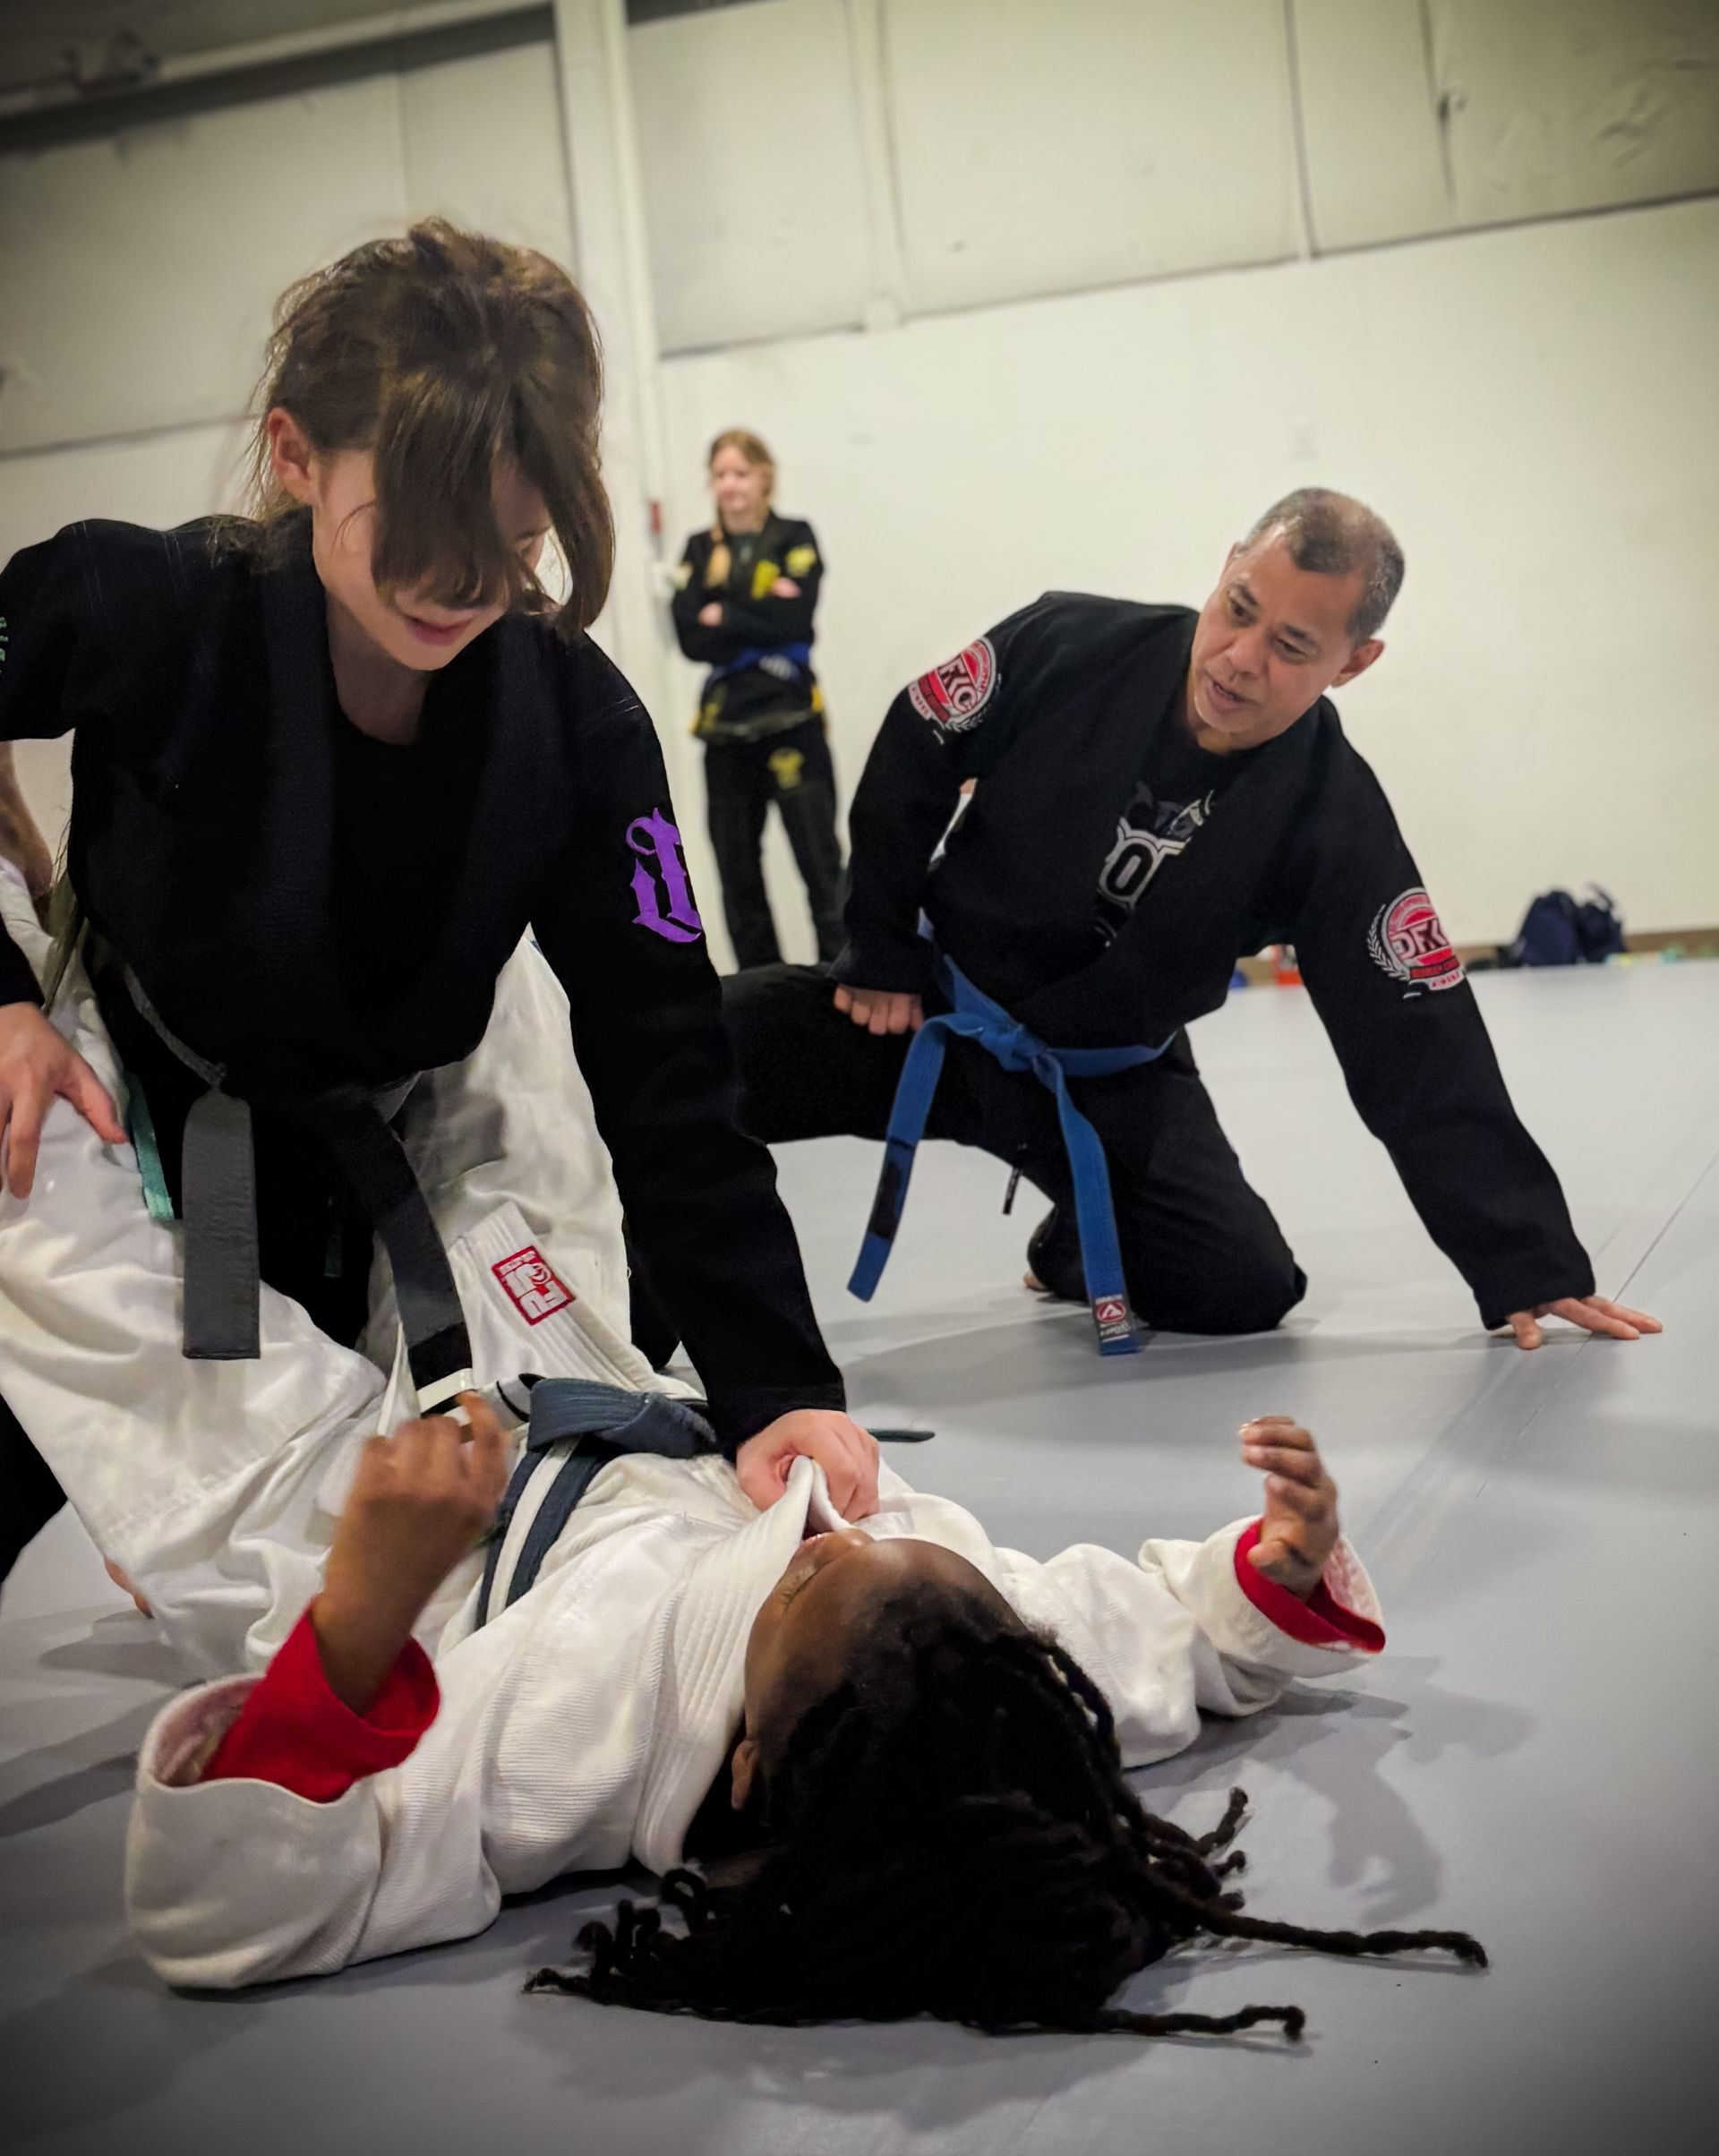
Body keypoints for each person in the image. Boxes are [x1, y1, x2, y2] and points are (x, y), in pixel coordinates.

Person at [10, 869, 1478, 2032]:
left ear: (760, 1752)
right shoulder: (963, 1663)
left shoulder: (553, 1760)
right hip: (582, 1376)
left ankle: (25, 955)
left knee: (65, 1250)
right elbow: (1149, 1643)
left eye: (802, 1577)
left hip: (343, 1514)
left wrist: (354, 1623)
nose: (840, 1529)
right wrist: (1272, 1576)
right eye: (878, 1541)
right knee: (522, 1036)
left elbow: (246, 1916)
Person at [0, 220, 880, 1584]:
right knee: (141, 1443)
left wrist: (777, 1384)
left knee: (515, 1473)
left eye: (514, 538)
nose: (463, 581)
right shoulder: (148, 601)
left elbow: (665, 1066)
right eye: (414, 527)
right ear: (295, 453)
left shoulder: (577, 725)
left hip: (421, 1090)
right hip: (149, 1078)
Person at [722, 490, 1660, 1358]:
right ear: (1223, 568)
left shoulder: (1334, 816)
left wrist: (1524, 1258)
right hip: (930, 1008)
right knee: (699, 1044)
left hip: (1102, 1074)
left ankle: (1083, 1241)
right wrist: (879, 945)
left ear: (1354, 663)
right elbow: (921, 738)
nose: (1241, 658)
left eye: (1294, 646)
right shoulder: (1074, 642)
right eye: (1239, 608)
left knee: (1241, 1283)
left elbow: (1412, 1029)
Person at [670, 431, 845, 967]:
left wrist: (724, 611)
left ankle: (840, 985)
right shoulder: (699, 549)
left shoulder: (795, 536)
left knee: (821, 866)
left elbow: (795, 617)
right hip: (726, 731)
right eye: (720, 474)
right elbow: (688, 636)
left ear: (764, 477)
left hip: (791, 717)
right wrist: (757, 612)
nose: (729, 485)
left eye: (739, 473)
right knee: (737, 878)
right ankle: (763, 1000)